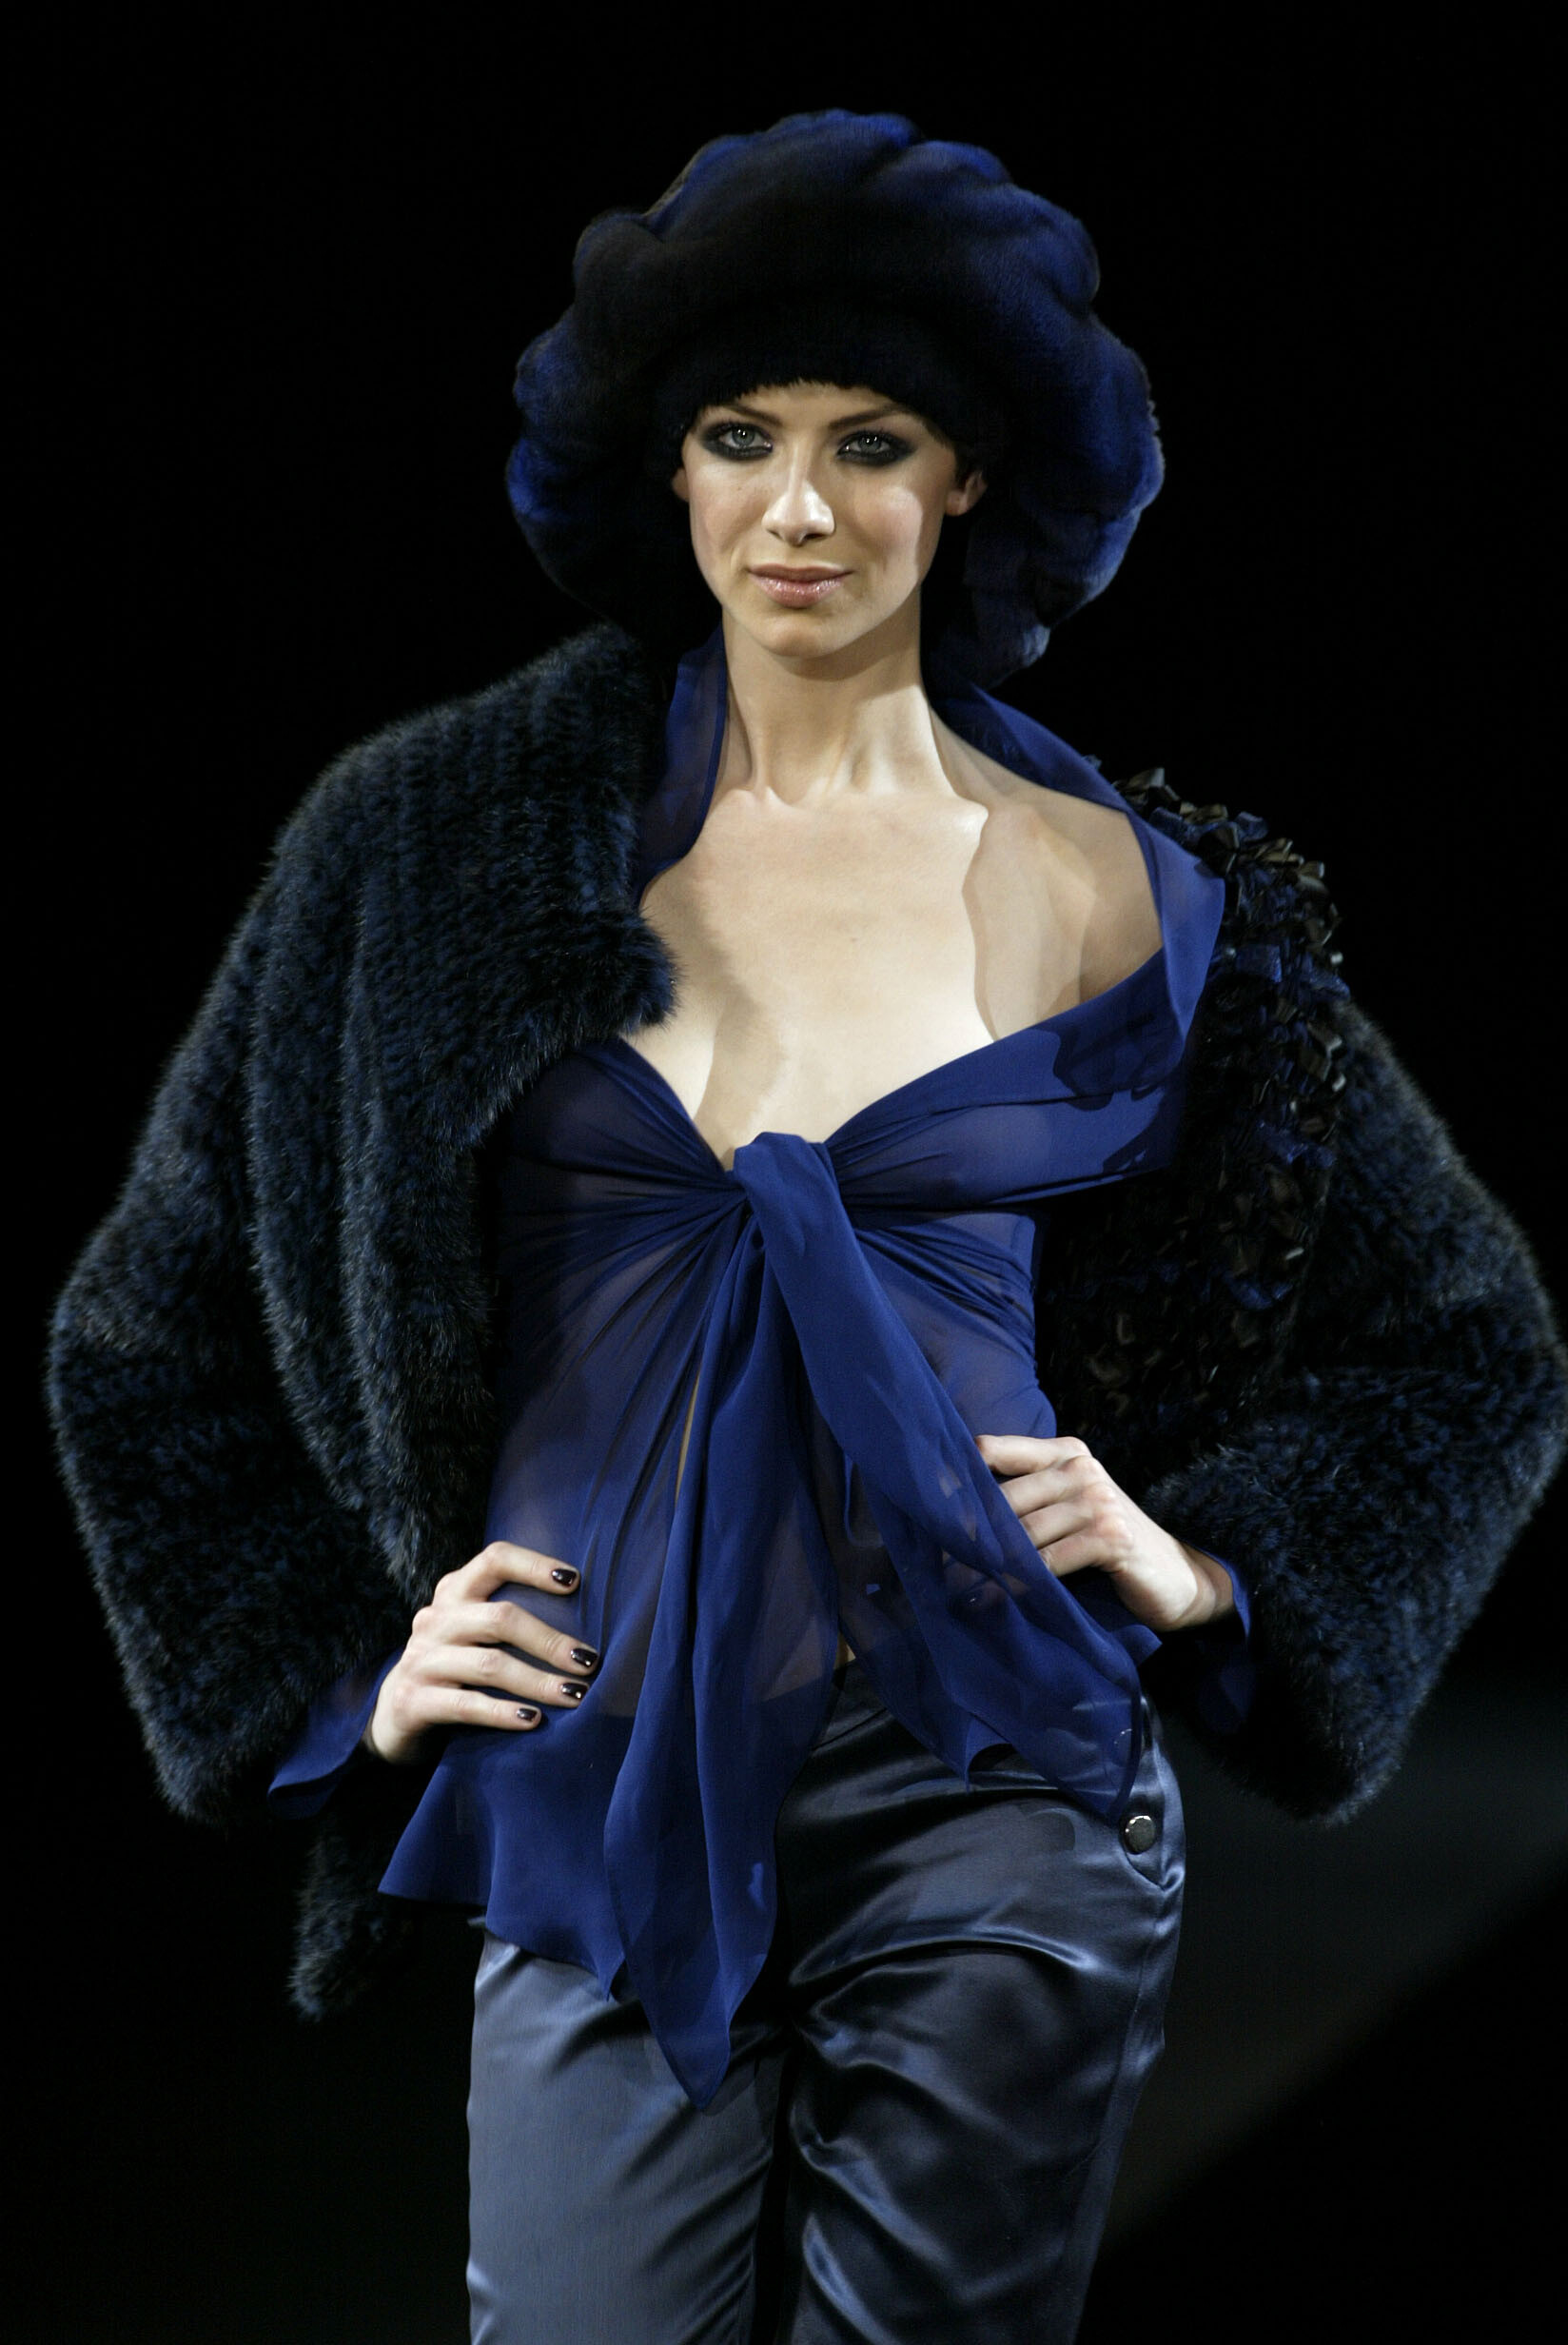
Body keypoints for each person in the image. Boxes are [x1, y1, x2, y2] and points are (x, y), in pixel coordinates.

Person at [48, 110, 1567, 2344]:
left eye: (871, 442)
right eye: (738, 436)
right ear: (661, 469)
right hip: (590, 1770)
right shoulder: (432, 848)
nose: (797, 508)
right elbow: (144, 1329)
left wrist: (1202, 1562)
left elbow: (1465, 1338)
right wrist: (338, 1672)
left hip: (997, 1793)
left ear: (968, 481)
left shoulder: (1118, 891)